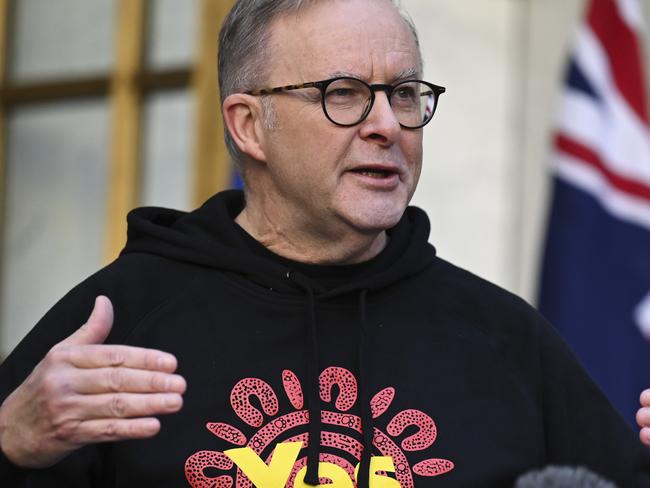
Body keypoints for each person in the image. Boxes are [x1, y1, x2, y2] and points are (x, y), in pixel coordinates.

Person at [1, 0, 650, 486]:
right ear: (249, 126)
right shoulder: (123, 318)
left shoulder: (501, 337)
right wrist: (12, 440)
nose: (386, 125)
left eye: (402, 93)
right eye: (344, 94)